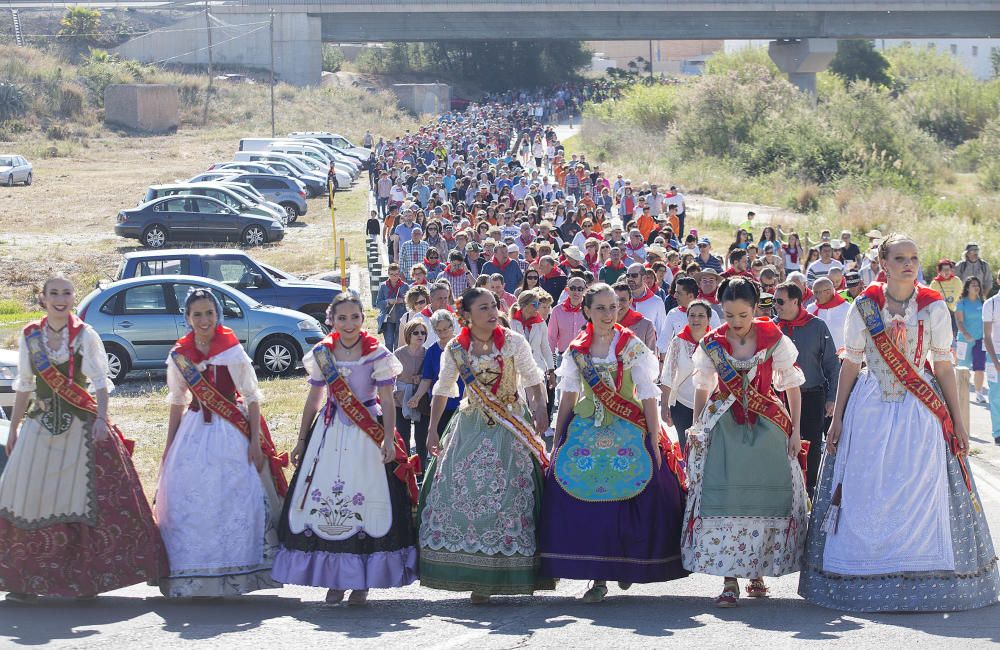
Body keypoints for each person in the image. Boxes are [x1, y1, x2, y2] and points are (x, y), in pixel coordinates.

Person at [799, 233, 1000, 613]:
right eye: (900, 257)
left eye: (914, 257)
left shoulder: (933, 306)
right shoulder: (864, 305)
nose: (909, 263)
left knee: (918, 487)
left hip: (919, 412)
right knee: (866, 487)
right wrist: (837, 416)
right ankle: (861, 574)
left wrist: (957, 421)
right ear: (883, 264)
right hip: (870, 405)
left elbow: (942, 364)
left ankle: (919, 573)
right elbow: (851, 363)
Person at [0, 276, 166, 602]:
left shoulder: (84, 335)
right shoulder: (30, 336)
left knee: (77, 497)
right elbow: (24, 386)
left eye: (66, 292)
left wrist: (102, 420)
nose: (60, 299)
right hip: (40, 425)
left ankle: (84, 575)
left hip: (79, 425)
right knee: (24, 496)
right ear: (43, 298)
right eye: (54, 293)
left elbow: (100, 383)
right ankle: (26, 578)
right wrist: (16, 427)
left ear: (73, 297)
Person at [539, 283, 688, 602]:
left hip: (628, 426)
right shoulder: (577, 349)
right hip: (586, 428)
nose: (609, 313)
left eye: (614, 307)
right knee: (580, 495)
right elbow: (568, 395)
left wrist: (652, 434)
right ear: (587, 311)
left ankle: (626, 564)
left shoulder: (630, 344)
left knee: (638, 493)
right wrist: (558, 436)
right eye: (601, 308)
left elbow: (647, 393)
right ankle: (598, 576)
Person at [273, 293, 418, 605]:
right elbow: (313, 399)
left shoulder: (376, 353)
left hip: (367, 433)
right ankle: (335, 579)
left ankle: (362, 580)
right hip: (328, 433)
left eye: (355, 317)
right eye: (342, 318)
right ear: (331, 320)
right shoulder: (322, 354)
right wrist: (300, 440)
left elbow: (388, 400)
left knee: (366, 501)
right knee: (324, 501)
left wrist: (389, 438)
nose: (349, 323)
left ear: (362, 319)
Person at [417, 288, 553, 603]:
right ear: (466, 315)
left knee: (512, 495)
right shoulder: (455, 348)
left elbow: (533, 380)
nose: (492, 312)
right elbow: (443, 388)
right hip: (470, 424)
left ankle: (511, 570)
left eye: (494, 305)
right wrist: (433, 430)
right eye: (483, 307)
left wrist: (542, 410)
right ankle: (475, 576)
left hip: (511, 424)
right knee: (460, 490)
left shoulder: (514, 341)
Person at [683, 277, 807, 607]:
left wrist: (794, 431)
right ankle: (728, 579)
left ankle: (757, 571)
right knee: (725, 497)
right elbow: (702, 387)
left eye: (742, 315)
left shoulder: (773, 338)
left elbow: (792, 386)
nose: (736, 323)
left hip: (766, 426)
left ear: (755, 309)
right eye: (728, 315)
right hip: (724, 425)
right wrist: (698, 427)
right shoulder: (711, 343)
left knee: (766, 500)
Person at [157, 288, 287, 598]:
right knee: (189, 498)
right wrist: (169, 447)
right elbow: (177, 401)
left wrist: (255, 443)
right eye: (197, 314)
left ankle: (238, 573)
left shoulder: (231, 350)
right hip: (193, 432)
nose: (204, 320)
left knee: (236, 498)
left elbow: (253, 398)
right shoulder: (180, 355)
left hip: (231, 432)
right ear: (187, 318)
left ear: (218, 315)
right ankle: (193, 573)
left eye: (209, 313)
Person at [774, 281, 840, 497]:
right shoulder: (771, 328)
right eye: (775, 301)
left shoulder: (817, 326)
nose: (776, 305)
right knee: (778, 444)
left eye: (780, 301)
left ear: (796, 301)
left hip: (812, 395)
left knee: (810, 446)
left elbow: (831, 363)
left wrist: (832, 398)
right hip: (778, 397)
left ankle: (810, 490)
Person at [660, 299, 713, 449]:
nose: (696, 319)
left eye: (701, 315)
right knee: (686, 449)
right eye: (692, 315)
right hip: (682, 404)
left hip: (710, 405)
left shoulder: (716, 342)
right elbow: (668, 374)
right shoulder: (678, 342)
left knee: (708, 449)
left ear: (709, 318)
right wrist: (664, 405)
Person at [394, 320, 430, 470]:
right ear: (409, 334)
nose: (420, 335)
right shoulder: (398, 353)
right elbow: (391, 376)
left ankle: (420, 469)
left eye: (423, 332)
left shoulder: (428, 353)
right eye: (416, 332)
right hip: (401, 400)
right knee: (403, 437)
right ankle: (404, 469)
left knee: (421, 438)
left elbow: (433, 375)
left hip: (422, 400)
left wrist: (421, 378)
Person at [510, 288, 555, 389]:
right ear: (524, 306)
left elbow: (545, 348)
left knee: (540, 404)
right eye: (534, 304)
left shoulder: (541, 323)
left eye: (538, 304)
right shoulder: (512, 323)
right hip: (518, 373)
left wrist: (551, 370)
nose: (537, 307)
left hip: (538, 370)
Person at [625, 263, 670, 356]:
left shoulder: (656, 301)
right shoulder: (620, 301)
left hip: (648, 355)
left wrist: (661, 359)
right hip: (623, 352)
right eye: (628, 276)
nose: (630, 279)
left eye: (634, 275)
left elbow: (662, 332)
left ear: (644, 278)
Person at [956, 276, 987, 404]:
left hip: (980, 340)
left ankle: (979, 393)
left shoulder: (983, 302)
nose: (976, 287)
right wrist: (965, 333)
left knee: (979, 368)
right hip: (964, 340)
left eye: (977, 284)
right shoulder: (961, 302)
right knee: (963, 368)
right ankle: (961, 393)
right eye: (973, 284)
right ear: (967, 288)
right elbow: (959, 321)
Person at [807, 277, 851, 353]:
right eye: (814, 292)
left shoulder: (847, 308)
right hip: (818, 358)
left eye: (817, 292)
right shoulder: (811, 309)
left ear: (828, 292)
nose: (814, 296)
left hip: (842, 358)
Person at [982, 269, 1000, 445]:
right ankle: (998, 432)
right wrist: (995, 361)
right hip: (995, 355)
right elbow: (987, 336)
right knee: (996, 395)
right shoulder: (991, 304)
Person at [613, 282, 657, 351]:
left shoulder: (646, 325)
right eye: (615, 300)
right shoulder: (603, 324)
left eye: (623, 300)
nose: (618, 304)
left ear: (630, 301)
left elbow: (652, 358)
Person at [376, 264, 409, 353]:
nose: (394, 277)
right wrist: (388, 301)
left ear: (399, 274)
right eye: (391, 274)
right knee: (389, 343)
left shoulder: (404, 286)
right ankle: (389, 362)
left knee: (398, 344)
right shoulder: (383, 286)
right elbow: (378, 303)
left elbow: (410, 302)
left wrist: (401, 300)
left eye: (396, 274)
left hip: (401, 319)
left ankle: (398, 362)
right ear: (388, 274)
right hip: (388, 319)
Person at [930, 259, 963, 332]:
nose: (946, 272)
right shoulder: (934, 283)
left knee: (954, 336)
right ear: (939, 271)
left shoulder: (956, 281)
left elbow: (961, 294)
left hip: (954, 314)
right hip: (940, 315)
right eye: (944, 270)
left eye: (948, 269)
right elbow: (931, 300)